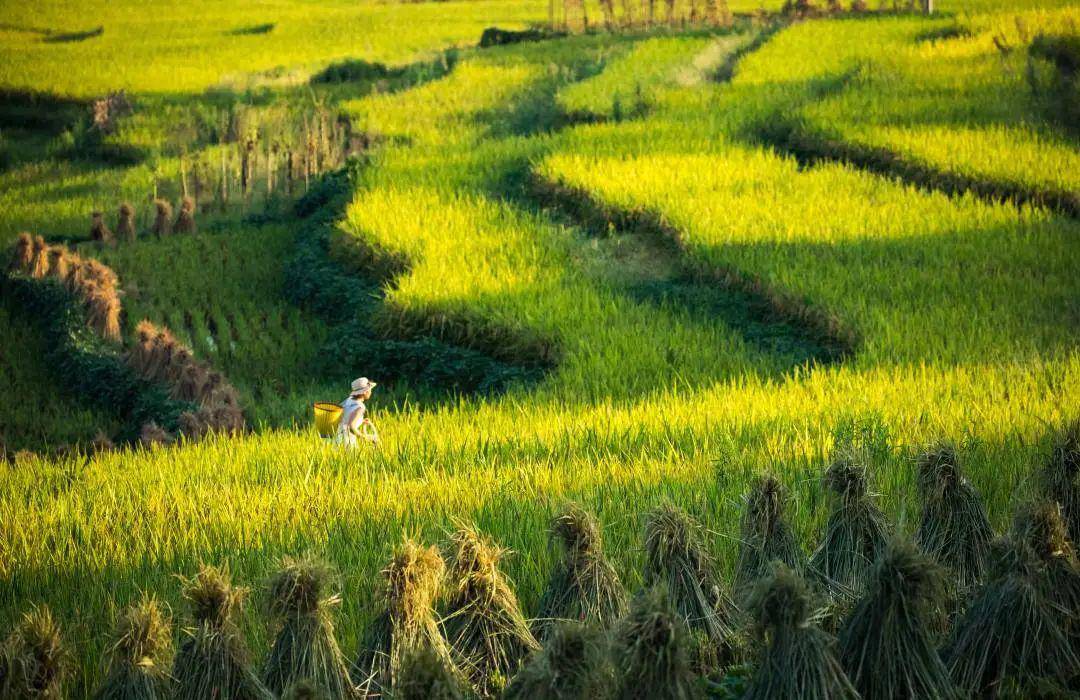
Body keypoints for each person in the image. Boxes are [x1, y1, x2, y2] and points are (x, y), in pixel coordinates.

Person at [335, 377, 378, 447]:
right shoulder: (360, 407)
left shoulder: (348, 400)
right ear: (364, 392)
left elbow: (345, 417)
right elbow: (351, 427)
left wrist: (361, 421)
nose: (370, 392)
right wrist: (366, 438)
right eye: (369, 390)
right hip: (347, 441)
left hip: (337, 439)